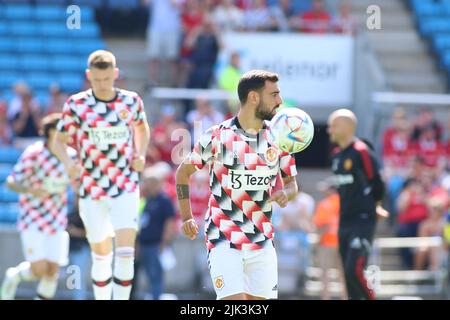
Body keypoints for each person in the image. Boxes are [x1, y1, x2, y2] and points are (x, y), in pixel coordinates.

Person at [176, 70, 299, 300]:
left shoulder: (280, 138)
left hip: (262, 240)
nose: (280, 101)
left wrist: (286, 193)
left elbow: (292, 184)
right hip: (223, 238)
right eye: (274, 95)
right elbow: (183, 172)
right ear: (254, 97)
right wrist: (186, 217)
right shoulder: (217, 136)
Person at [52, 50, 151, 300]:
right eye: (97, 80)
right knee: (101, 254)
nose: (102, 84)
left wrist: (140, 154)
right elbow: (58, 142)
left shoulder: (131, 101)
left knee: (126, 252)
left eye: (107, 79)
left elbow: (142, 128)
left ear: (115, 74)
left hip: (125, 185)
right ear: (89, 76)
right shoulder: (77, 104)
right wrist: (68, 162)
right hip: (92, 188)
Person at [1, 113, 75, 300]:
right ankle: (15, 276)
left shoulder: (72, 155)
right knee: (39, 269)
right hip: (33, 218)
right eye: (63, 129)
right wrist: (33, 191)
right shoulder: (34, 153)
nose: (68, 134)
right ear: (50, 132)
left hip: (57, 219)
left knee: (52, 271)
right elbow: (11, 182)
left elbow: (77, 181)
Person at [327, 108, 387, 300]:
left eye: (334, 125)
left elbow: (377, 181)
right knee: (346, 273)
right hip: (344, 220)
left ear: (347, 127)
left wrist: (376, 205)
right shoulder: (336, 156)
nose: (330, 130)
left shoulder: (361, 151)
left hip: (363, 220)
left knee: (355, 269)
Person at [138, 167, 176, 300]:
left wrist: (164, 243)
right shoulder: (146, 200)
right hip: (144, 244)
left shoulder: (164, 200)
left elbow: (169, 222)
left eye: (149, 182)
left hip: (156, 244)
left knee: (156, 276)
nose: (146, 185)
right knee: (148, 275)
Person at [313, 180, 346, 300]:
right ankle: (345, 297)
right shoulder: (345, 203)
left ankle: (326, 298)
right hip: (343, 242)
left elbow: (324, 225)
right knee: (343, 275)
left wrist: (318, 241)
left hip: (327, 242)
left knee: (325, 274)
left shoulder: (325, 204)